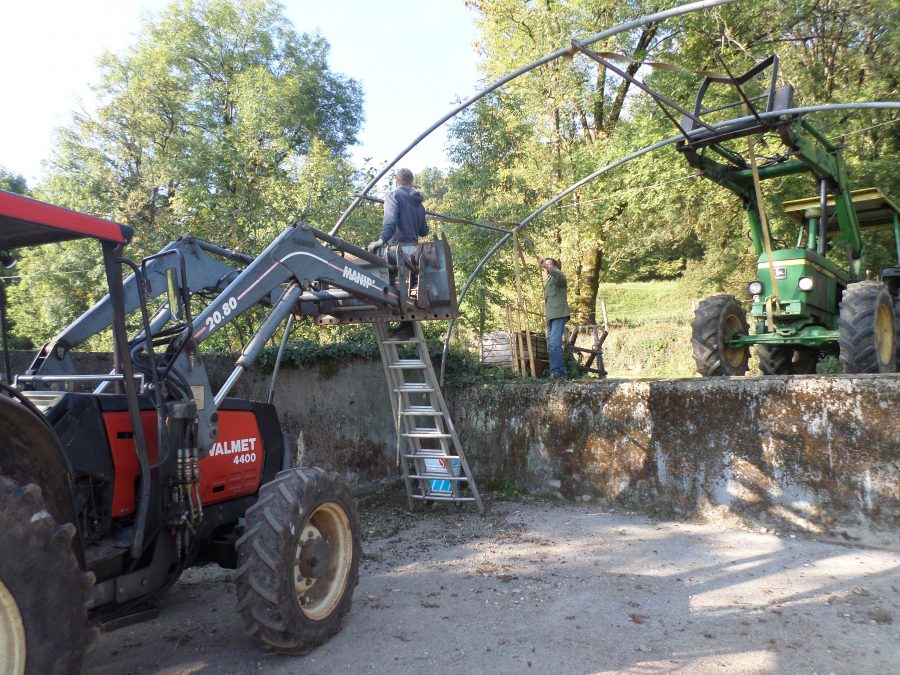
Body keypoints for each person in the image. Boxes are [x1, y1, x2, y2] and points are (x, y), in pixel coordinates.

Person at [367, 168, 430, 339]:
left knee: (390, 281)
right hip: (414, 249)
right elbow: (424, 231)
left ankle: (398, 321)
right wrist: (420, 215)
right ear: (412, 182)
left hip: (398, 249)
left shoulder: (393, 195)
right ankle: (405, 326)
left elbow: (391, 221)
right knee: (408, 284)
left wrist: (381, 240)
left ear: (397, 181)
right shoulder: (419, 203)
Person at [539, 257, 570, 379]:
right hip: (551, 316)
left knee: (554, 343)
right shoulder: (549, 280)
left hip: (559, 314)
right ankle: (559, 372)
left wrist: (546, 267)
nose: (547, 267)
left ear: (555, 266)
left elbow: (559, 276)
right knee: (551, 345)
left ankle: (556, 372)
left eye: (549, 264)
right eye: (546, 265)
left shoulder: (558, 277)